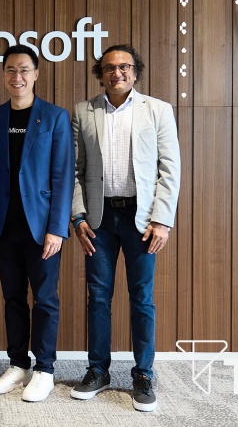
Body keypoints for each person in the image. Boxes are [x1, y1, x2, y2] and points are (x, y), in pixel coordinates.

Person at [69, 44, 180, 412]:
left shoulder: (158, 110)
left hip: (142, 220)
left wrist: (162, 220)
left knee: (142, 298)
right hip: (98, 221)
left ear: (135, 71)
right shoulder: (83, 112)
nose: (117, 73)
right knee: (98, 297)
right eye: (109, 68)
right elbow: (73, 170)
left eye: (124, 67)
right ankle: (98, 371)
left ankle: (143, 374)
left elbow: (169, 169)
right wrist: (78, 217)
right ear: (100, 74)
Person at [0, 44, 74, 402]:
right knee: (12, 298)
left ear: (35, 74)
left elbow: (63, 175)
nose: (17, 77)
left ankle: (45, 369)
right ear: (3, 75)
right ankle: (18, 364)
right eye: (10, 70)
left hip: (42, 228)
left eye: (24, 70)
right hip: (4, 226)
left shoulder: (54, 117)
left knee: (45, 299)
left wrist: (57, 228)